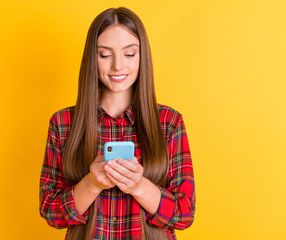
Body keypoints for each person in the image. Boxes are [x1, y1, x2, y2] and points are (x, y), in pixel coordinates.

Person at [39, 7, 195, 240]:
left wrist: (139, 186)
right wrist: (92, 183)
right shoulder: (63, 124)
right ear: (92, 58)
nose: (118, 66)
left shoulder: (169, 122)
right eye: (105, 55)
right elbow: (50, 212)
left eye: (129, 54)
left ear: (142, 57)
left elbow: (185, 214)